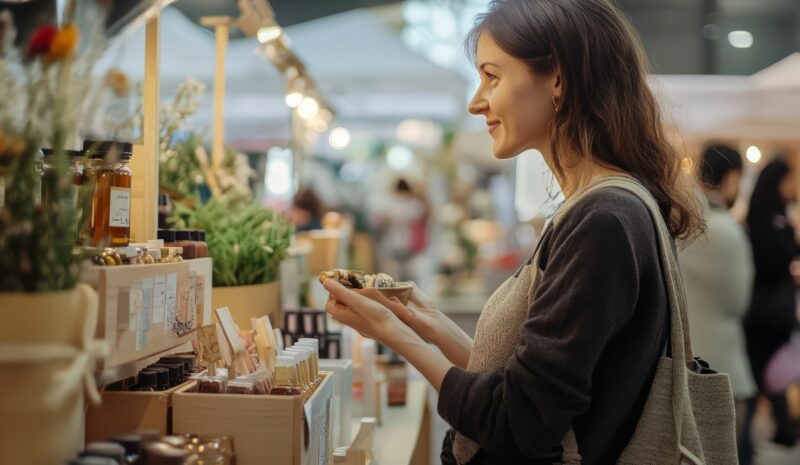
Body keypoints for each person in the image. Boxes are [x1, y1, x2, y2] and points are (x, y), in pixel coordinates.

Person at [323, 1, 705, 464]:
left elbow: (519, 422)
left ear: (558, 79)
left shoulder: (602, 218)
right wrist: (424, 319)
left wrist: (392, 334)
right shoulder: (591, 209)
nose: (475, 100)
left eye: (492, 76)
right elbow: (527, 384)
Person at [678, 144, 756, 464]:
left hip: (683, 365)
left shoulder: (677, 223)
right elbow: (740, 303)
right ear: (733, 177)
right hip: (725, 369)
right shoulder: (729, 232)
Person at [744, 156, 799, 448]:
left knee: (761, 373)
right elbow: (776, 264)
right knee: (766, 374)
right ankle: (775, 434)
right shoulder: (771, 223)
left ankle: (763, 436)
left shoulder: (756, 219)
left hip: (761, 311)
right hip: (769, 312)